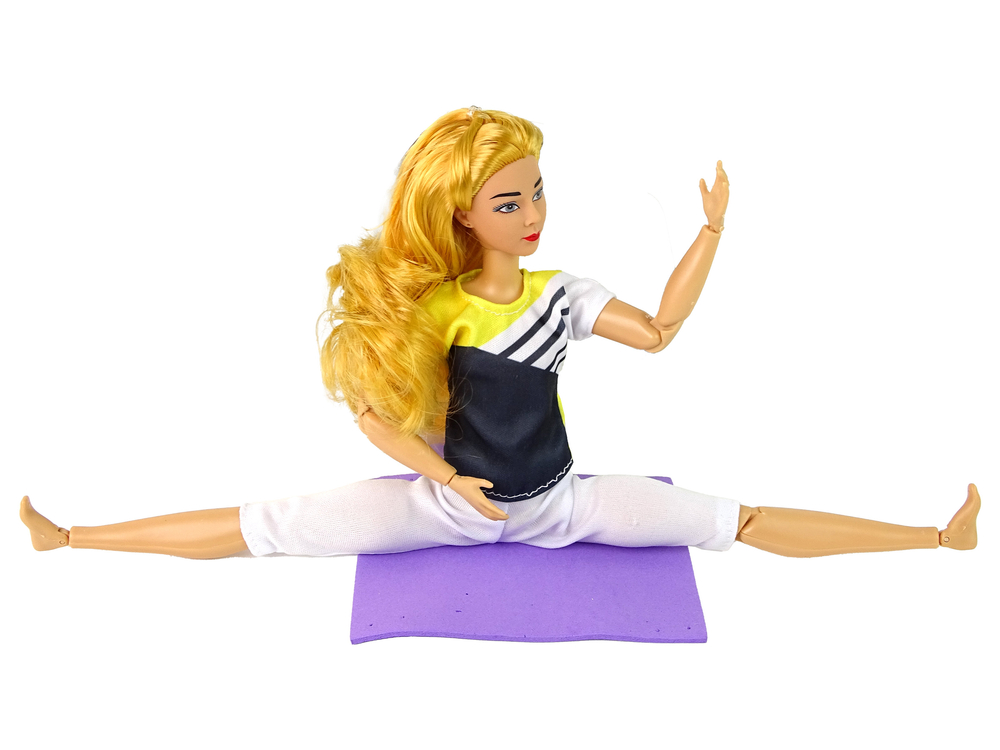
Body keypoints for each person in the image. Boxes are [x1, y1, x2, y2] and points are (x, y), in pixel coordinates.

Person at [20, 107, 980, 560]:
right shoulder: (434, 308)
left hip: (563, 505)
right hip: (446, 510)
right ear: (462, 215)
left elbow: (658, 333)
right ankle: (69, 537)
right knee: (266, 527)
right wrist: (444, 481)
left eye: (538, 193)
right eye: (509, 202)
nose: (533, 216)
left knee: (740, 521)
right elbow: (372, 417)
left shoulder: (563, 295)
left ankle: (940, 538)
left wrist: (711, 233)